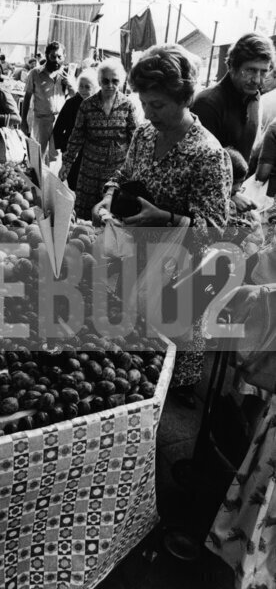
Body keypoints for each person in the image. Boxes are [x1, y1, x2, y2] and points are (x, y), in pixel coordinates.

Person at [93, 44, 232, 407]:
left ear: (184, 98)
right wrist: (108, 195)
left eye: (157, 105)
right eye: (143, 102)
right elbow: (124, 174)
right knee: (131, 372)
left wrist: (168, 218)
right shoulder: (145, 134)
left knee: (167, 378)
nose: (148, 113)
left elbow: (216, 230)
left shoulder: (208, 155)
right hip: (134, 266)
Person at [192, 33, 275, 209]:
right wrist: (230, 195)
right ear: (231, 66)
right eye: (250, 70)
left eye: (264, 71)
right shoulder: (207, 103)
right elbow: (196, 167)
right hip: (205, 204)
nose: (258, 80)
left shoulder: (253, 97)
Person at [59, 61, 137, 217]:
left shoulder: (127, 105)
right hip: (90, 169)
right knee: (85, 212)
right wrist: (66, 164)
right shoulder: (87, 105)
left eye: (114, 81)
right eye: (105, 81)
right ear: (99, 81)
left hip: (116, 170)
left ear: (120, 81)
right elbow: (76, 136)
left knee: (111, 212)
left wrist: (134, 166)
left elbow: (134, 137)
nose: (110, 85)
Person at [20, 41, 76, 163]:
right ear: (46, 56)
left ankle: (51, 181)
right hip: (41, 121)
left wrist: (71, 85)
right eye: (53, 56)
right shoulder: (35, 73)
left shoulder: (66, 75)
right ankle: (39, 181)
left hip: (60, 121)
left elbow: (74, 97)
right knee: (39, 156)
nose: (56, 60)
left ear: (64, 57)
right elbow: (27, 97)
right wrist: (23, 121)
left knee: (55, 157)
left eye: (59, 57)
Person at [52, 69, 99, 190]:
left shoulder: (98, 106)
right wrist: (63, 148)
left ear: (94, 88)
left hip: (90, 154)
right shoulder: (71, 103)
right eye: (81, 86)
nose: (83, 90)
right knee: (72, 184)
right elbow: (57, 129)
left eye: (87, 87)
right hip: (71, 152)